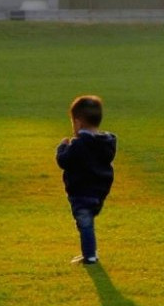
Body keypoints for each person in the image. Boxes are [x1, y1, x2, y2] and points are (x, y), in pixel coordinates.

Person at [56, 95, 117, 265]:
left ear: (78, 122)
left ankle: (90, 256)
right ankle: (89, 252)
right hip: (100, 190)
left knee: (84, 223)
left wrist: (62, 146)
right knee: (85, 223)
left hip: (82, 190)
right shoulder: (106, 142)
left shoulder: (79, 144)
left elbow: (64, 161)